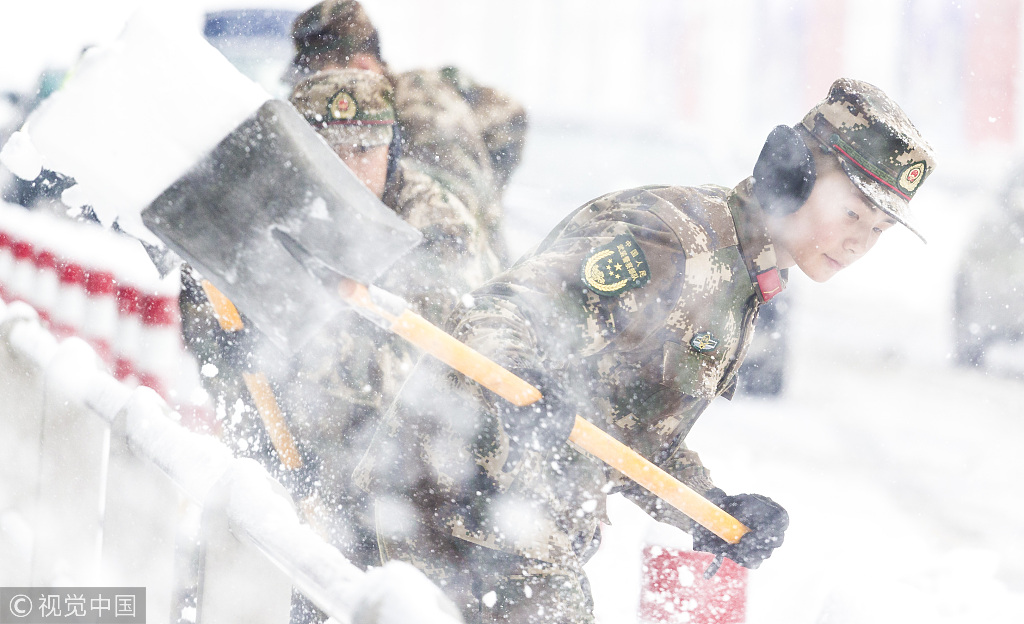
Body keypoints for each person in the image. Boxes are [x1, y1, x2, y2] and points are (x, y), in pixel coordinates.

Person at [352, 78, 937, 623]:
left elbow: (629, 435)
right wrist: (525, 382)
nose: (861, 241)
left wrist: (713, 511)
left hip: (520, 532)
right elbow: (497, 313)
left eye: (879, 228)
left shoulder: (738, 277)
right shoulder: (673, 240)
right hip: (450, 516)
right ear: (791, 174)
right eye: (853, 212)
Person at [180, 68, 501, 573]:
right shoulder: (271, 208)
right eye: (330, 151)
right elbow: (211, 314)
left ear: (392, 147)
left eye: (365, 151)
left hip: (409, 477)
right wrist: (227, 343)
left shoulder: (435, 225)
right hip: (290, 450)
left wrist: (286, 344)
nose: (349, 169)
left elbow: (419, 367)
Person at [288, 0, 529, 263]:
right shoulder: (367, 116)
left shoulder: (421, 106)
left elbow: (454, 206)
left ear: (363, 67)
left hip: (459, 277)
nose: (312, 89)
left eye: (319, 77)